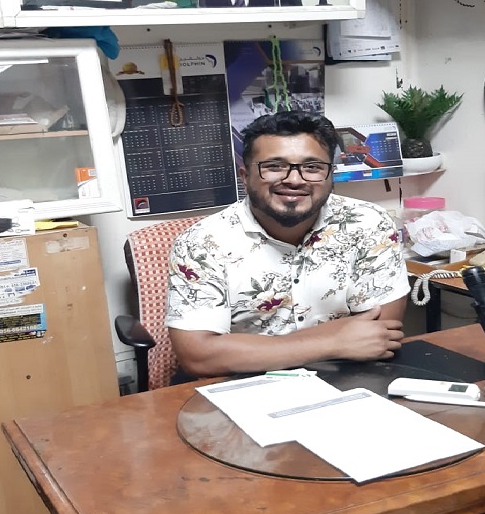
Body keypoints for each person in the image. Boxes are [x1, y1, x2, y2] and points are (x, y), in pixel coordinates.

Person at [165, 111, 409, 377]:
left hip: (345, 376)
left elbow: (379, 334)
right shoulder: (202, 243)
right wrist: (333, 342)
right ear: (245, 176)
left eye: (312, 167)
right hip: (240, 383)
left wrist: (245, 349)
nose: (294, 180)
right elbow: (199, 356)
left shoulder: (369, 223)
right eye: (274, 166)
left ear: (330, 175)